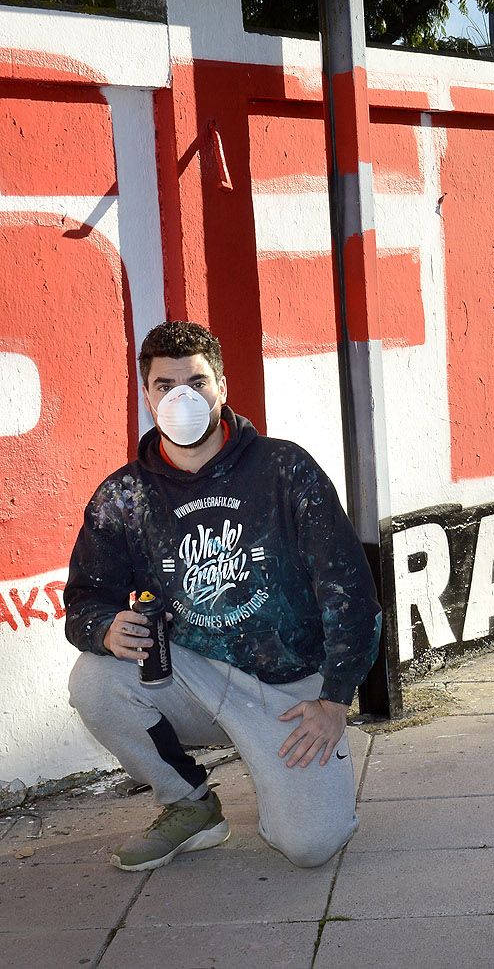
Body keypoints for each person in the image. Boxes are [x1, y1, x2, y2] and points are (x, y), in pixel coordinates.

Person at [63, 321, 381, 872]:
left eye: (197, 382)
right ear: (147, 397)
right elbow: (84, 601)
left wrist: (334, 700)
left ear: (222, 388)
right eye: (165, 385)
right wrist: (103, 627)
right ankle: (190, 805)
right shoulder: (124, 497)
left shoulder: (284, 470)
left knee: (310, 845)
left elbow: (349, 591)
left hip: (288, 691)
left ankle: (295, 776)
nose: (181, 398)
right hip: (192, 678)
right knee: (95, 680)